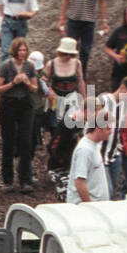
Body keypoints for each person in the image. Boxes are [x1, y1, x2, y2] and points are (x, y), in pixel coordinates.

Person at [45, 37, 87, 199]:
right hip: (56, 102)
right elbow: (44, 80)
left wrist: (84, 100)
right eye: (66, 53)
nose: (68, 57)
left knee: (70, 133)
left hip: (71, 101)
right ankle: (55, 163)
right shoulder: (52, 64)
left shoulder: (77, 64)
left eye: (71, 54)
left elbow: (81, 81)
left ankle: (67, 163)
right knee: (56, 133)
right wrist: (49, 91)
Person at [0, 38, 39, 193]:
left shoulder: (30, 66)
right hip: (9, 104)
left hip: (25, 105)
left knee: (26, 142)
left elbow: (35, 88)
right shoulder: (6, 66)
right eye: (20, 50)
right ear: (15, 51)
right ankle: (7, 180)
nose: (22, 53)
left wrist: (27, 83)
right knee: (8, 142)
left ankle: (25, 179)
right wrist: (13, 83)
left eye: (24, 50)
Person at [57, 0, 108, 64]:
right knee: (69, 49)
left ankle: (82, 75)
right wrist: (62, 18)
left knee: (85, 50)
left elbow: (102, 1)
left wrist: (104, 20)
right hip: (74, 20)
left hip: (89, 21)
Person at [68, 116, 114, 204]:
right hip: (87, 210)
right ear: (98, 129)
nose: (111, 132)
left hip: (97, 207)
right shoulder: (85, 150)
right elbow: (79, 183)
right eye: (108, 129)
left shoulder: (95, 145)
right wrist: (90, 206)